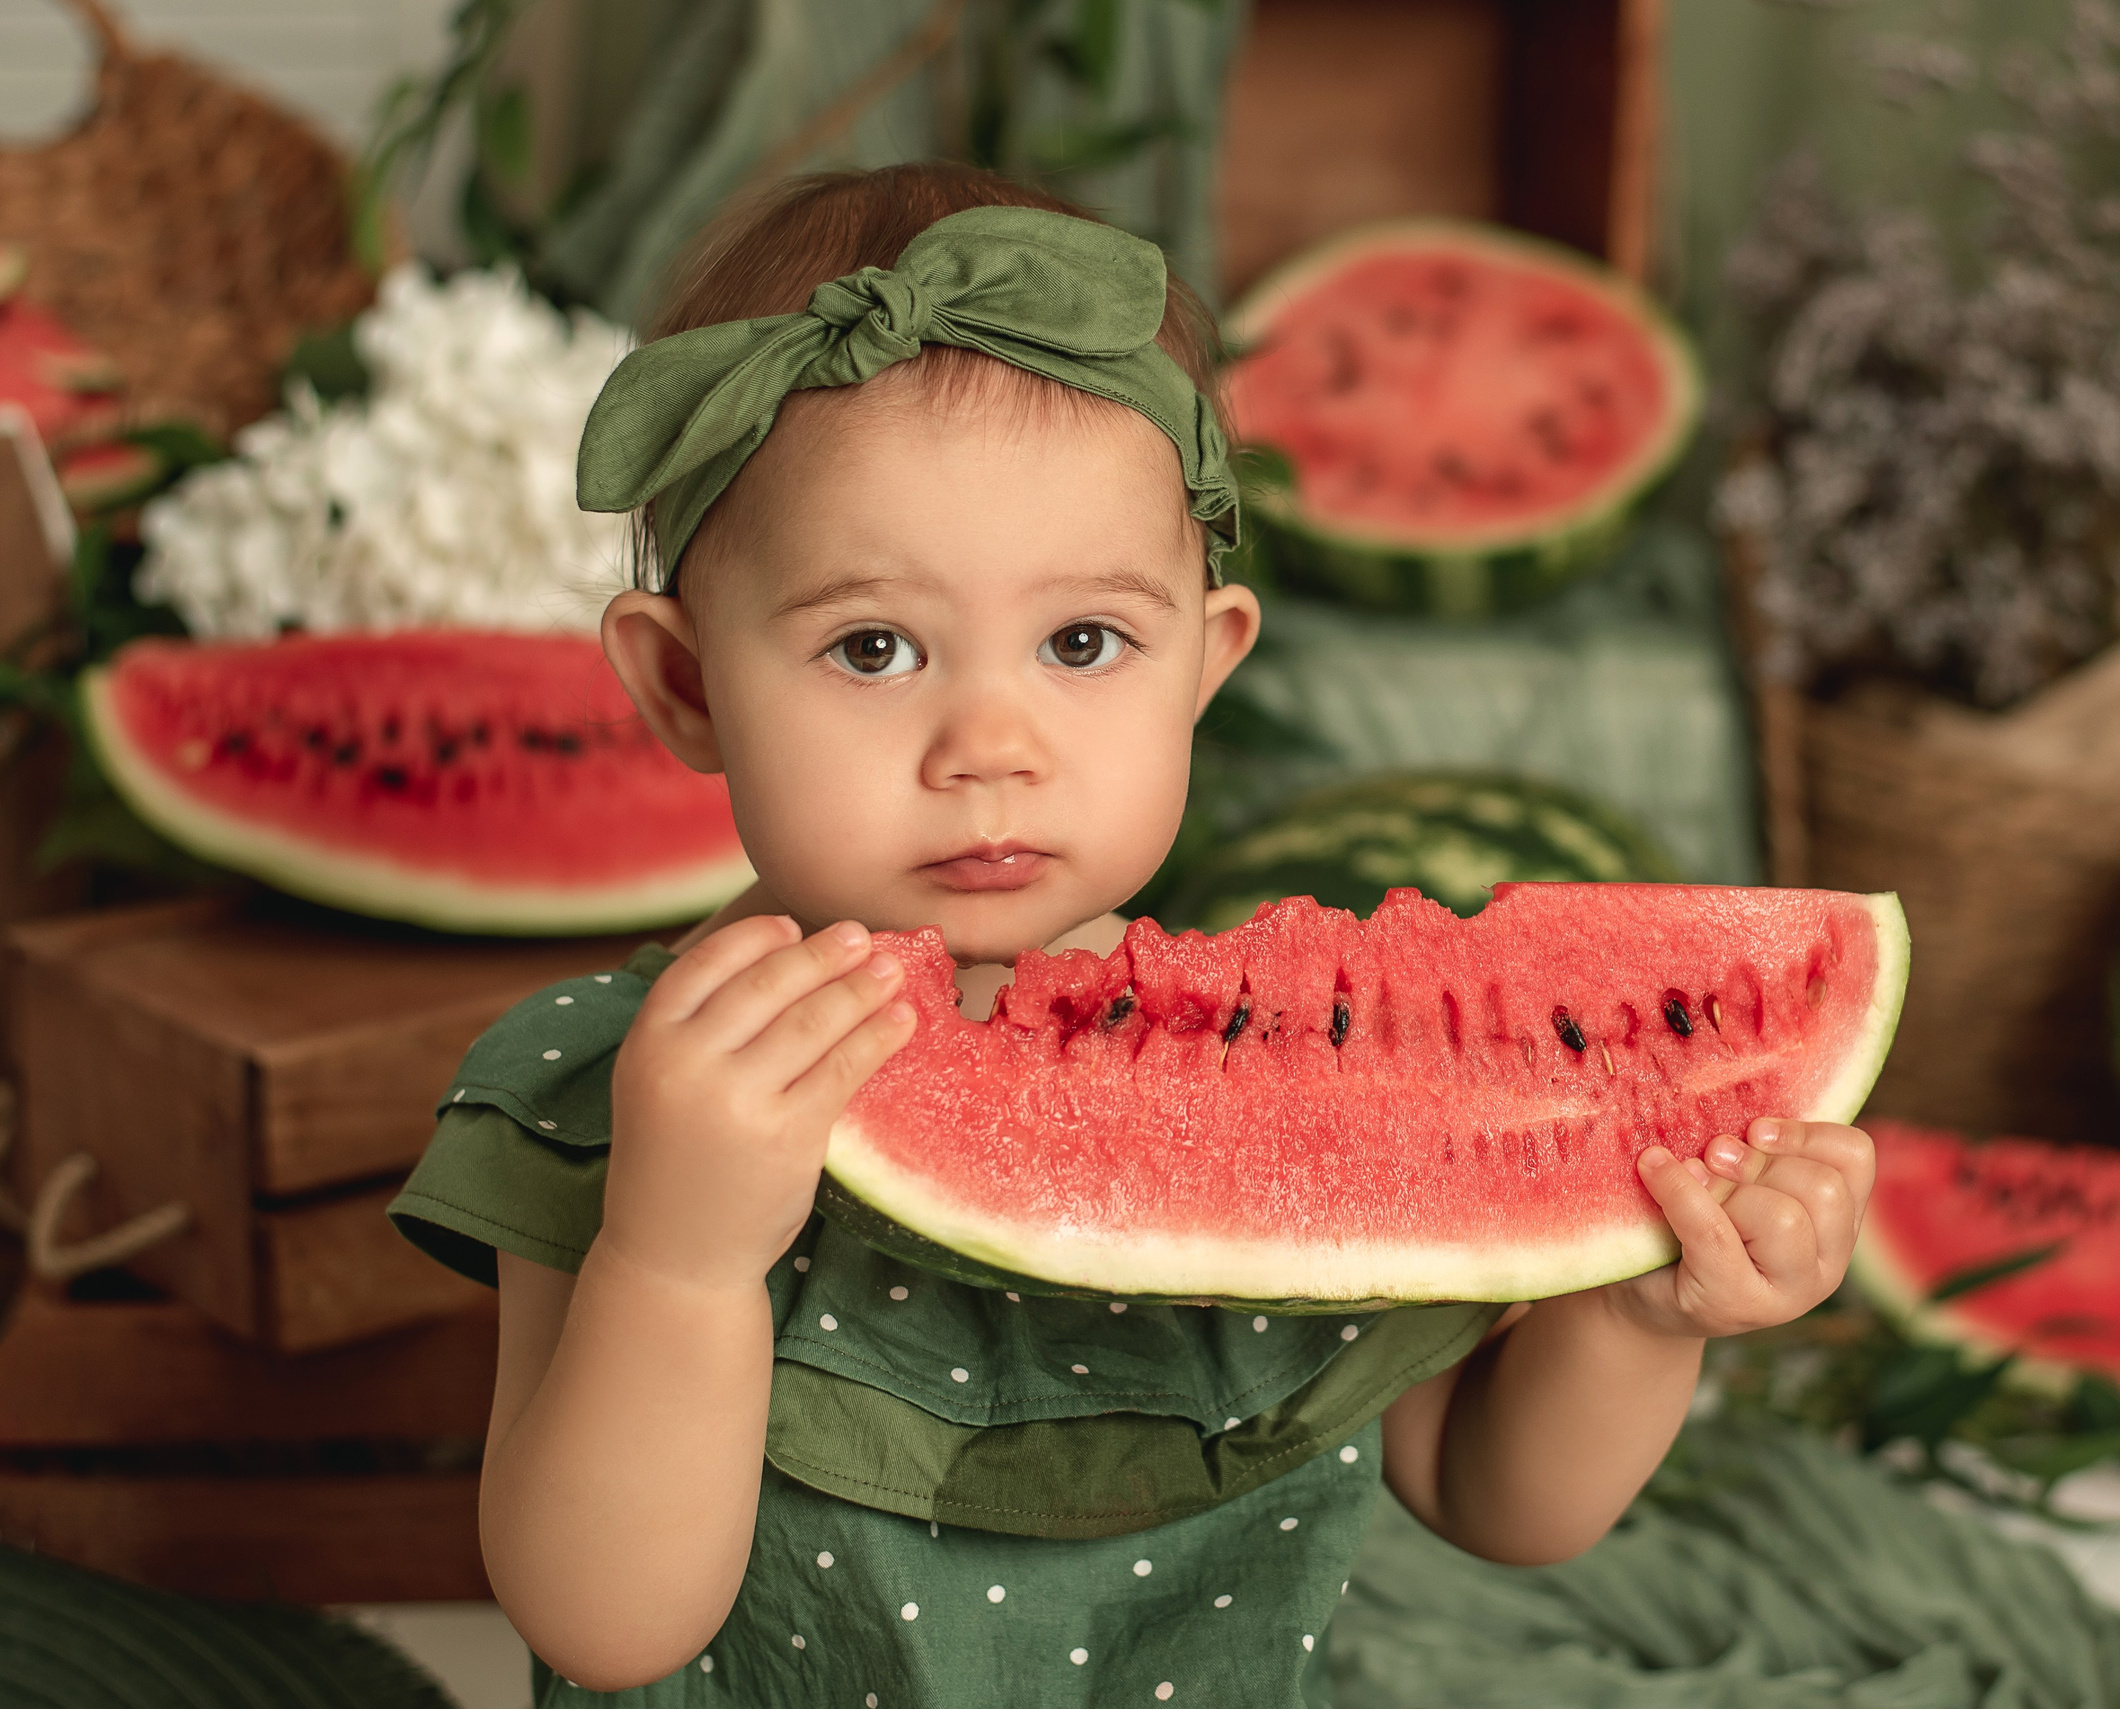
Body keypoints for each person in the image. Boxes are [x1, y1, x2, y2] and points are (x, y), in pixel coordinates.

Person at [388, 161, 1876, 1707]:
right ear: (685, 687)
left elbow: (1499, 1499)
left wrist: (1639, 1309)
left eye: (1083, 641)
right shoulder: (609, 1091)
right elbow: (604, 1621)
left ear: (1207, 660)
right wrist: (677, 1261)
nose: (991, 742)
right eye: (873, 645)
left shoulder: (1303, 1085)